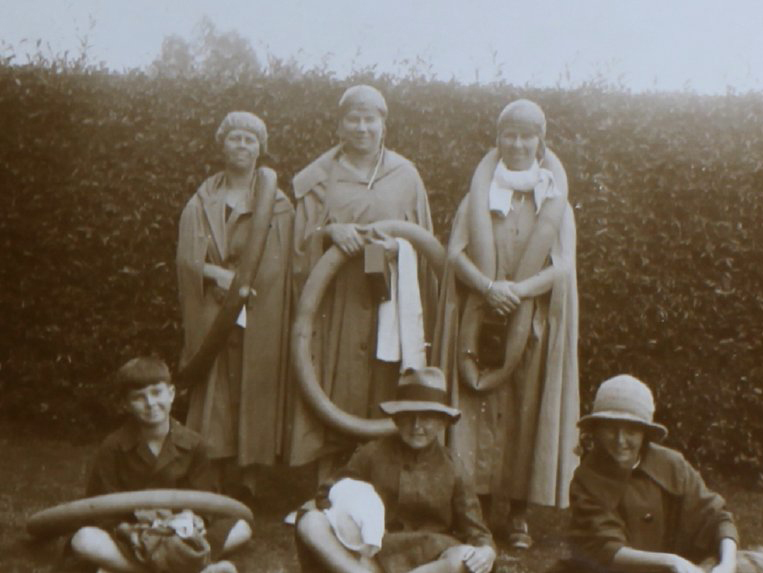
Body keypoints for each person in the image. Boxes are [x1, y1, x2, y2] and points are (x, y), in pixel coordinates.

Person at [433, 99, 579, 548]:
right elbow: (455, 253)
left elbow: (563, 266)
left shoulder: (556, 202)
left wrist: (519, 290)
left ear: (541, 141)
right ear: (498, 140)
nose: (517, 144)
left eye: (526, 135)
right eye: (509, 135)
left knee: (524, 412)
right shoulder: (475, 197)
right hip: (480, 316)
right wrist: (489, 287)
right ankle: (472, 509)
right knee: (473, 415)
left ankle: (518, 514)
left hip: (531, 322)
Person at [287, 85, 437, 476]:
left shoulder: (405, 176)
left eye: (370, 119)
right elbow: (298, 243)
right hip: (335, 300)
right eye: (353, 118)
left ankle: (383, 473)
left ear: (383, 124)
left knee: (382, 375)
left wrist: (397, 250)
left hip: (387, 296)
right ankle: (328, 475)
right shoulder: (318, 179)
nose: (362, 127)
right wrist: (329, 233)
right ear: (339, 125)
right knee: (333, 377)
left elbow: (424, 241)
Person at [176, 111, 294, 499]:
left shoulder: (277, 203)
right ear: (222, 145)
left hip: (261, 308)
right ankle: (208, 467)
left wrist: (251, 287)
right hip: (214, 305)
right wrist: (217, 275)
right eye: (235, 139)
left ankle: (249, 479)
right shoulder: (203, 198)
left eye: (250, 140)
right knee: (214, 387)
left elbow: (285, 260)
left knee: (254, 383)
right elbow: (187, 258)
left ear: (260, 149)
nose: (241, 147)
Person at [562, 374, 763, 573]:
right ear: (597, 431)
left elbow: (717, 517)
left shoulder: (671, 465)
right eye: (611, 429)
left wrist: (727, 564)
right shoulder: (587, 479)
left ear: (645, 433)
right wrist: (671, 561)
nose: (620, 440)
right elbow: (605, 548)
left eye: (631, 430)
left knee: (754, 565)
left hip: (683, 568)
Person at [296, 367, 497, 573]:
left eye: (427, 417)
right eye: (408, 416)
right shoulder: (372, 454)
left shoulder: (453, 467)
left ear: (442, 422)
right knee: (311, 521)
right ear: (396, 419)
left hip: (431, 559)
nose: (416, 426)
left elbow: (477, 530)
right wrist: (354, 519)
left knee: (463, 558)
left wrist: (487, 550)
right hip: (375, 554)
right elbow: (327, 493)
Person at [70, 357, 252, 573]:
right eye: (139, 397)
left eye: (157, 393)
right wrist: (130, 530)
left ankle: (134, 569)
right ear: (126, 404)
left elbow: (205, 501)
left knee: (242, 527)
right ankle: (194, 569)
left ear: (172, 394)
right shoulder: (113, 447)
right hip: (133, 535)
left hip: (181, 532)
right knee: (83, 539)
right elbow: (102, 508)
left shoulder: (194, 445)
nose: (150, 403)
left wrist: (191, 520)